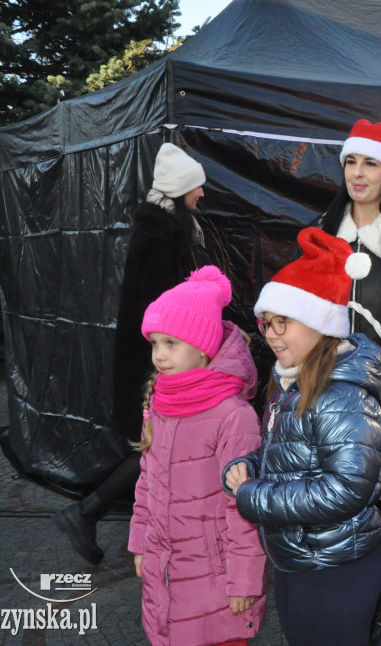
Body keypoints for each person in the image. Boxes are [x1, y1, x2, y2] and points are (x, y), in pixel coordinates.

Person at [224, 227, 381, 646]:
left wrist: (254, 497)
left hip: (335, 568)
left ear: (320, 323)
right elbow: (290, 453)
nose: (272, 334)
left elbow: (347, 488)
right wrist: (250, 465)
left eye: (285, 323)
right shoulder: (293, 380)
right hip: (304, 558)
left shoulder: (340, 394)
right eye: (267, 324)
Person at [54, 142, 207, 565]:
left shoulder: (164, 228)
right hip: (154, 359)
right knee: (156, 447)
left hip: (153, 355)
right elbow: (161, 307)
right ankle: (86, 512)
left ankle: (95, 514)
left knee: (156, 447)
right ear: (180, 190)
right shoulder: (161, 235)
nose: (202, 195)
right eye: (197, 188)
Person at [315, 118, 381, 646]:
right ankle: (337, 604)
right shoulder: (321, 227)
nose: (359, 174)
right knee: (330, 500)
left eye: (371, 163)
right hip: (323, 393)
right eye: (352, 162)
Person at [130, 266, 266, 646]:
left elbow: (245, 505)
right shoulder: (159, 402)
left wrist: (244, 579)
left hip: (217, 582)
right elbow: (147, 482)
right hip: (167, 573)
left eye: (171, 343)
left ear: (204, 345)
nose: (159, 355)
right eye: (154, 343)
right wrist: (141, 543)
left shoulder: (232, 415)